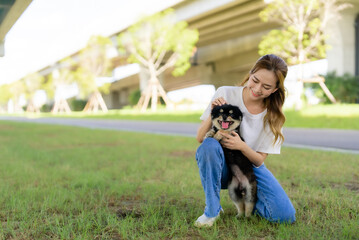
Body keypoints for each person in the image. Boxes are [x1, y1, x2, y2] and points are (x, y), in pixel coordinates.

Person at [194, 54, 296, 227]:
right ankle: (212, 210)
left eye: (266, 86)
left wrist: (241, 146)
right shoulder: (225, 93)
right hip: (222, 164)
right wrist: (214, 112)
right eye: (255, 80)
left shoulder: (273, 116)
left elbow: (259, 160)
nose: (257, 88)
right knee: (209, 145)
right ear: (250, 73)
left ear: (275, 89)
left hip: (249, 166)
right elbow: (200, 138)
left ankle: (251, 201)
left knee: (285, 216)